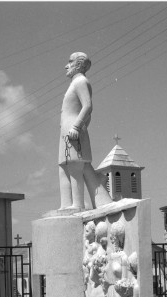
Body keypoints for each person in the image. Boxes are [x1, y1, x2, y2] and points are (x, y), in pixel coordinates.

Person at [58, 52, 112, 210]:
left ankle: (77, 204)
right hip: (66, 130)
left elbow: (88, 106)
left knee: (75, 166)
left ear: (79, 65)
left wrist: (77, 127)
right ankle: (66, 204)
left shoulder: (81, 81)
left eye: (70, 62)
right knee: (63, 166)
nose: (66, 66)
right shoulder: (74, 83)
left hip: (73, 129)